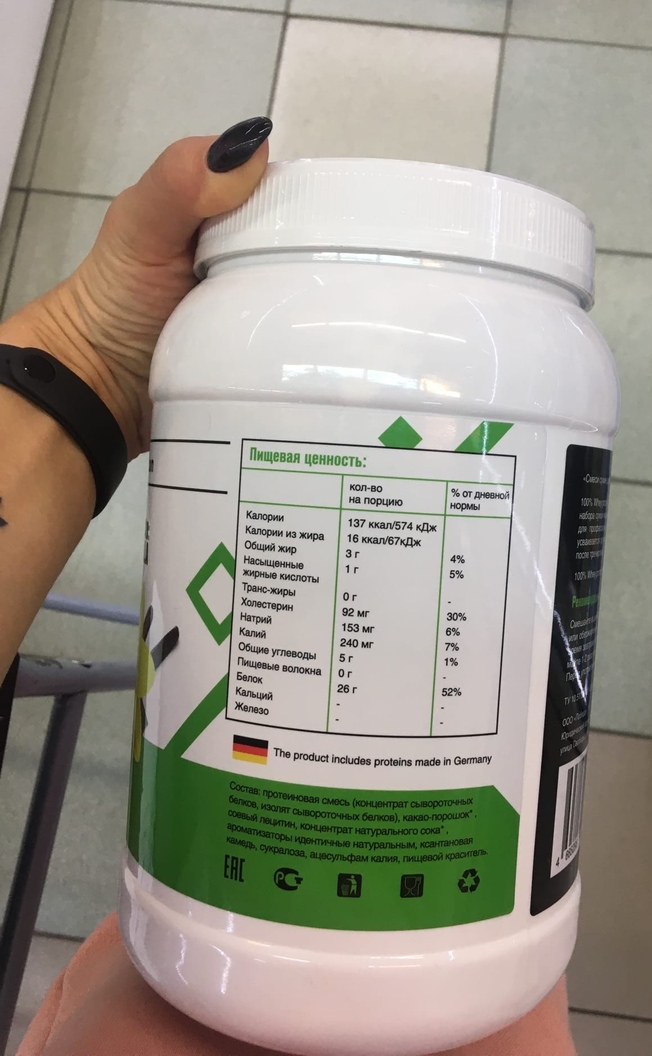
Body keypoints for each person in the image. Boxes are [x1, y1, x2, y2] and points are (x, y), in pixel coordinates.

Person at [0, 119, 576, 1056]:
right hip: (254, 935)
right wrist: (90, 355)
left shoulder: (533, 347)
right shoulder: (220, 325)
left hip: (472, 908)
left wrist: (82, 357)